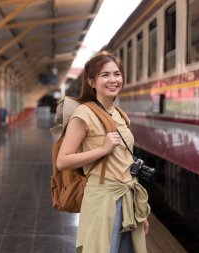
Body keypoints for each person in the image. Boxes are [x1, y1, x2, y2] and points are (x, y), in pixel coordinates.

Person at [57, 51, 150, 253]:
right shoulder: (84, 114)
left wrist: (139, 214)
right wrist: (102, 149)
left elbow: (125, 161)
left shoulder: (121, 115)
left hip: (128, 199)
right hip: (102, 199)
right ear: (91, 81)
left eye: (117, 74)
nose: (113, 80)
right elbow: (62, 161)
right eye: (105, 75)